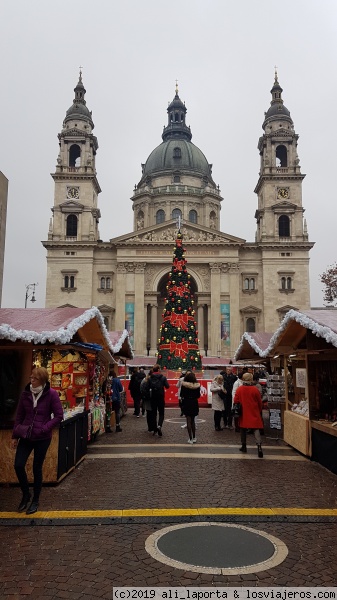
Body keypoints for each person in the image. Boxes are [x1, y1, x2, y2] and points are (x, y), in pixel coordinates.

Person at [11, 367, 63, 514]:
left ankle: (35, 500)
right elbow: (19, 416)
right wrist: (15, 436)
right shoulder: (26, 393)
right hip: (26, 436)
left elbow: (59, 416)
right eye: (31, 377)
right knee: (18, 465)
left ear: (42, 380)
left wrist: (44, 428)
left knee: (36, 468)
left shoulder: (51, 394)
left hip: (42, 437)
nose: (31, 380)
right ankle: (26, 494)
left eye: (34, 378)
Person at [233, 372, 264, 457]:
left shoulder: (239, 389)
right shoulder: (255, 389)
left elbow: (236, 401)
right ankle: (259, 447)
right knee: (256, 429)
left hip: (244, 412)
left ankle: (244, 445)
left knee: (243, 429)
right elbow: (259, 402)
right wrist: (259, 410)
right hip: (254, 411)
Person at [149, 364, 169, 437]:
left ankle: (154, 429)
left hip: (153, 397)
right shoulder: (163, 377)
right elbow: (167, 386)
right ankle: (159, 426)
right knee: (161, 413)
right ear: (158, 370)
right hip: (160, 397)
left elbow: (148, 387)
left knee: (153, 413)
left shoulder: (150, 378)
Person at [180, 371, 201, 444]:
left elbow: (181, 394)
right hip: (194, 402)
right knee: (193, 421)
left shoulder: (184, 385)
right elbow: (198, 395)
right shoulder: (197, 385)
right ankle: (194, 437)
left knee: (188, 420)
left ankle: (190, 438)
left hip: (186, 402)